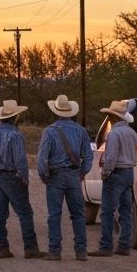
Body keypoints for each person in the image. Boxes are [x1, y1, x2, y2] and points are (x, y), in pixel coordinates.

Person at [0, 100, 46, 259]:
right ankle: (30, 248)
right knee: (25, 213)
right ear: (15, 117)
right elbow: (21, 160)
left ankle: (2, 247)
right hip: (12, 176)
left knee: (0, 214)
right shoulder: (16, 135)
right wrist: (23, 178)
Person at [37, 95, 95, 261]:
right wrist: (83, 172)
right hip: (74, 175)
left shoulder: (49, 131)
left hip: (55, 175)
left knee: (54, 215)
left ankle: (55, 251)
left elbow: (42, 158)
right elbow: (88, 155)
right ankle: (81, 250)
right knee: (77, 214)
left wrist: (43, 175)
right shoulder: (81, 130)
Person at [89, 100, 137, 257]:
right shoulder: (133, 133)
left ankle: (106, 245)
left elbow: (111, 158)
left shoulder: (114, 134)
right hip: (129, 172)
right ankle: (124, 245)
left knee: (107, 211)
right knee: (125, 210)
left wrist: (105, 173)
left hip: (116, 172)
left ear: (113, 117)